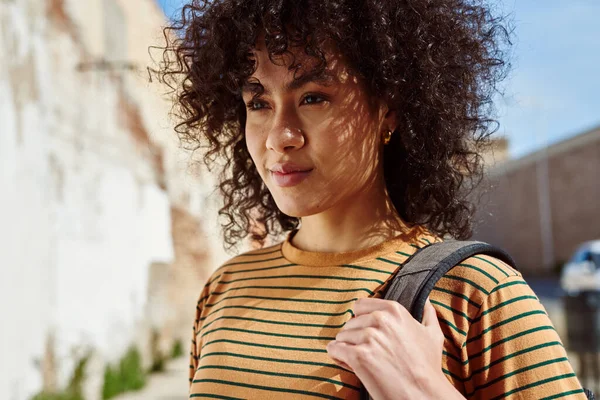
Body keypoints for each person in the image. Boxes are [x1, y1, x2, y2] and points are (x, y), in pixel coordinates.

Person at [160, 0, 586, 398]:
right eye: (258, 102)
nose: (278, 136)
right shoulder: (224, 288)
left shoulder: (479, 293)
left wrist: (425, 390)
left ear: (388, 108)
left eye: (312, 97)